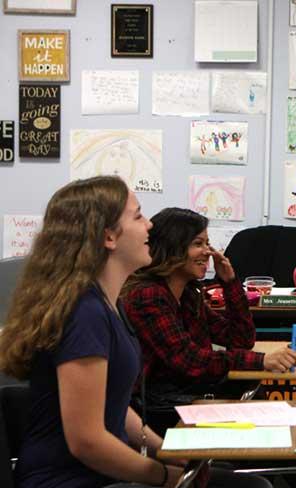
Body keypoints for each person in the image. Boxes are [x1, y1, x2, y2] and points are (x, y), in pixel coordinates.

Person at [0, 176, 180, 487]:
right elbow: (86, 440)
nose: (149, 225)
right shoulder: (85, 313)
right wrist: (164, 477)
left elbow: (114, 403)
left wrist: (166, 451)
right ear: (109, 236)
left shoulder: (108, 305)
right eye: (138, 215)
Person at [123, 208, 296, 431]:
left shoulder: (188, 293)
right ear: (172, 248)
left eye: (207, 244)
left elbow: (241, 339)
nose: (208, 252)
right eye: (198, 244)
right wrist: (261, 360)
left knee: (266, 406)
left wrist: (230, 282)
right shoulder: (148, 296)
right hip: (161, 405)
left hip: (188, 393)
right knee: (266, 420)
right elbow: (190, 360)